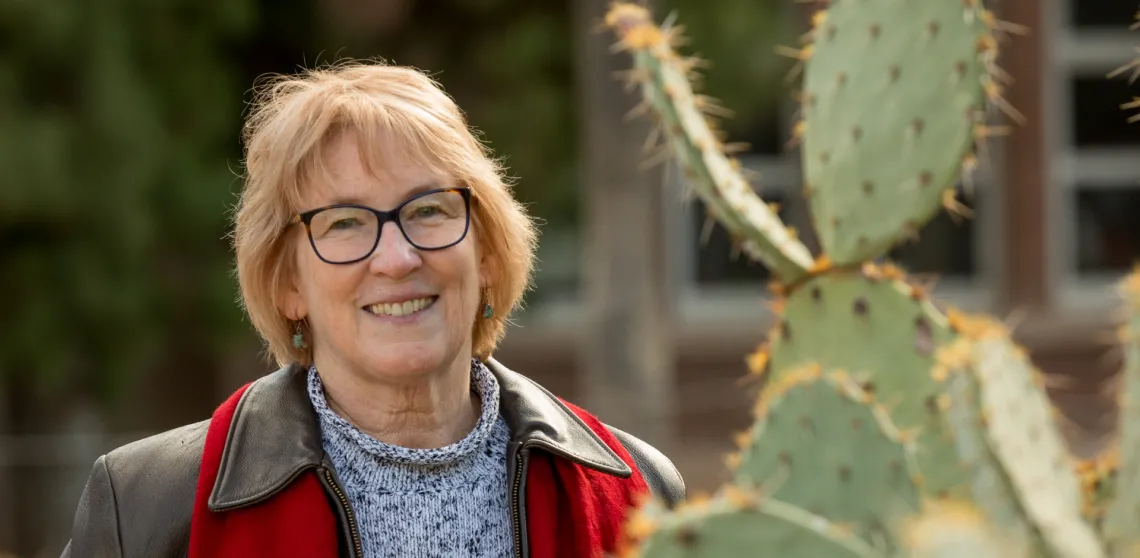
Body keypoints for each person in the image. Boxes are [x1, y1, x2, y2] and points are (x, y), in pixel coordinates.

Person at [60, 60, 684, 558]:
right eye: (346, 223)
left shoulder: (639, 492)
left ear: (487, 253)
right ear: (288, 284)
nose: (396, 257)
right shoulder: (148, 505)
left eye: (429, 210)